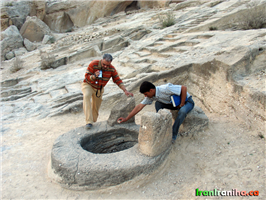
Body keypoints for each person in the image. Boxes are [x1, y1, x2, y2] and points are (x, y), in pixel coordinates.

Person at [117, 81, 194, 141]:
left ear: (151, 90)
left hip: (187, 102)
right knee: (158, 104)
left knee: (183, 111)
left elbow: (183, 88)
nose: (145, 96)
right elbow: (139, 107)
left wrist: (182, 104)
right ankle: (162, 124)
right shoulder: (151, 96)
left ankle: (173, 134)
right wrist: (126, 118)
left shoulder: (165, 88)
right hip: (174, 104)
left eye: (146, 94)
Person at [82, 53, 133, 129]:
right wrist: (94, 76)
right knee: (86, 96)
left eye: (107, 65)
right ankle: (88, 122)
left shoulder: (111, 69)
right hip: (88, 85)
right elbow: (86, 77)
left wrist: (125, 90)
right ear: (102, 60)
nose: (105, 66)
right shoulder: (93, 64)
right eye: (104, 64)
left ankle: (92, 120)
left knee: (96, 107)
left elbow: (117, 80)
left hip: (99, 88)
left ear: (110, 63)